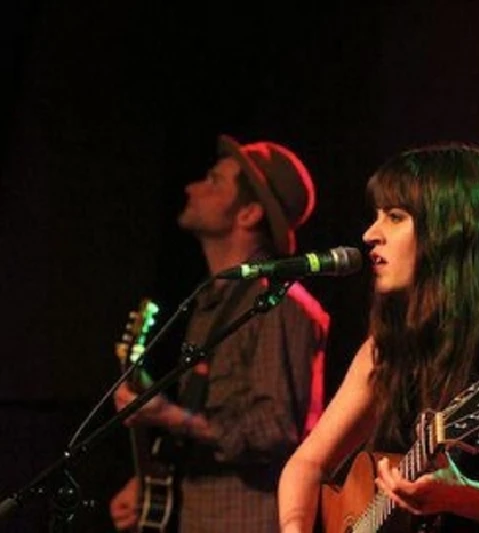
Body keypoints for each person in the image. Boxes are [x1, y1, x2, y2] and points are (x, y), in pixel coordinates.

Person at [278, 143, 479, 532]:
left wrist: (460, 494)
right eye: (377, 216)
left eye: (396, 217)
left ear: (451, 230)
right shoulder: (386, 348)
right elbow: (305, 465)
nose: (370, 234)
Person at [109, 135, 329, 532]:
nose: (191, 187)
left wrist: (170, 416)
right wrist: (149, 484)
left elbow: (274, 429)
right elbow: (208, 424)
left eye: (213, 181)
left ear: (248, 213)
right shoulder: (211, 303)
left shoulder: (278, 303)